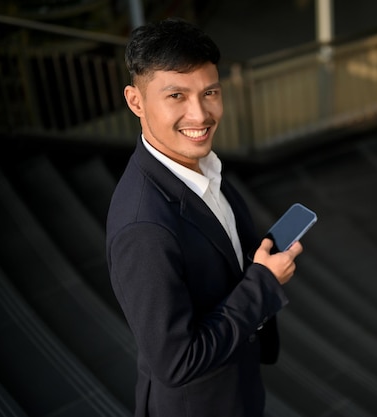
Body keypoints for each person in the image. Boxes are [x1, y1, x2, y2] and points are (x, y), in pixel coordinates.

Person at [105, 18, 303, 417]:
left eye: (210, 92)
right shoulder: (143, 228)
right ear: (136, 101)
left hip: (235, 388)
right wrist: (262, 283)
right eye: (176, 95)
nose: (200, 114)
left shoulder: (201, 167)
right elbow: (176, 362)